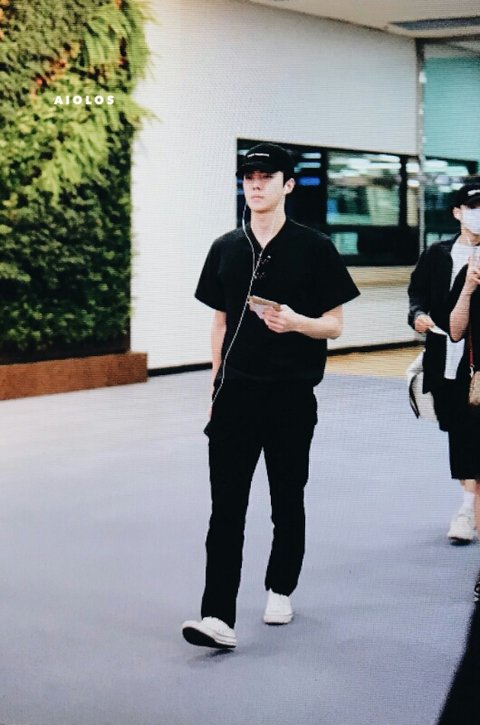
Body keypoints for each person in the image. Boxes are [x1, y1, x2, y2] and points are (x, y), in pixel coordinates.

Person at [182, 142, 360, 649]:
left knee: (287, 498)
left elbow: (336, 325)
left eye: (266, 177)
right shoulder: (225, 247)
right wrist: (215, 384)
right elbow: (220, 323)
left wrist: (298, 322)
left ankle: (281, 587)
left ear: (288, 184)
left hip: (290, 397)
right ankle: (217, 615)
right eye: (249, 177)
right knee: (226, 507)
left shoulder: (314, 247)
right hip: (235, 397)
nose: (256, 185)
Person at [408, 179, 480, 545]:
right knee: (460, 432)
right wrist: (417, 316)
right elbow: (416, 295)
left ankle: (468, 508)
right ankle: (467, 504)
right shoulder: (437, 254)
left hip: (476, 362)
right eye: (473, 208)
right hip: (445, 358)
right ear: (457, 213)